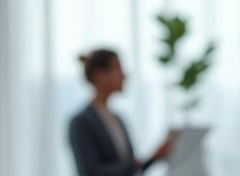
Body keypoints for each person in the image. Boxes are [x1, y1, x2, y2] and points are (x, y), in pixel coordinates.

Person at [68, 48, 178, 176]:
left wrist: (155, 157)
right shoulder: (81, 122)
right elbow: (91, 172)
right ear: (100, 75)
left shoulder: (118, 119)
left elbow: (130, 169)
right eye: (118, 68)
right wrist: (147, 159)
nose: (124, 75)